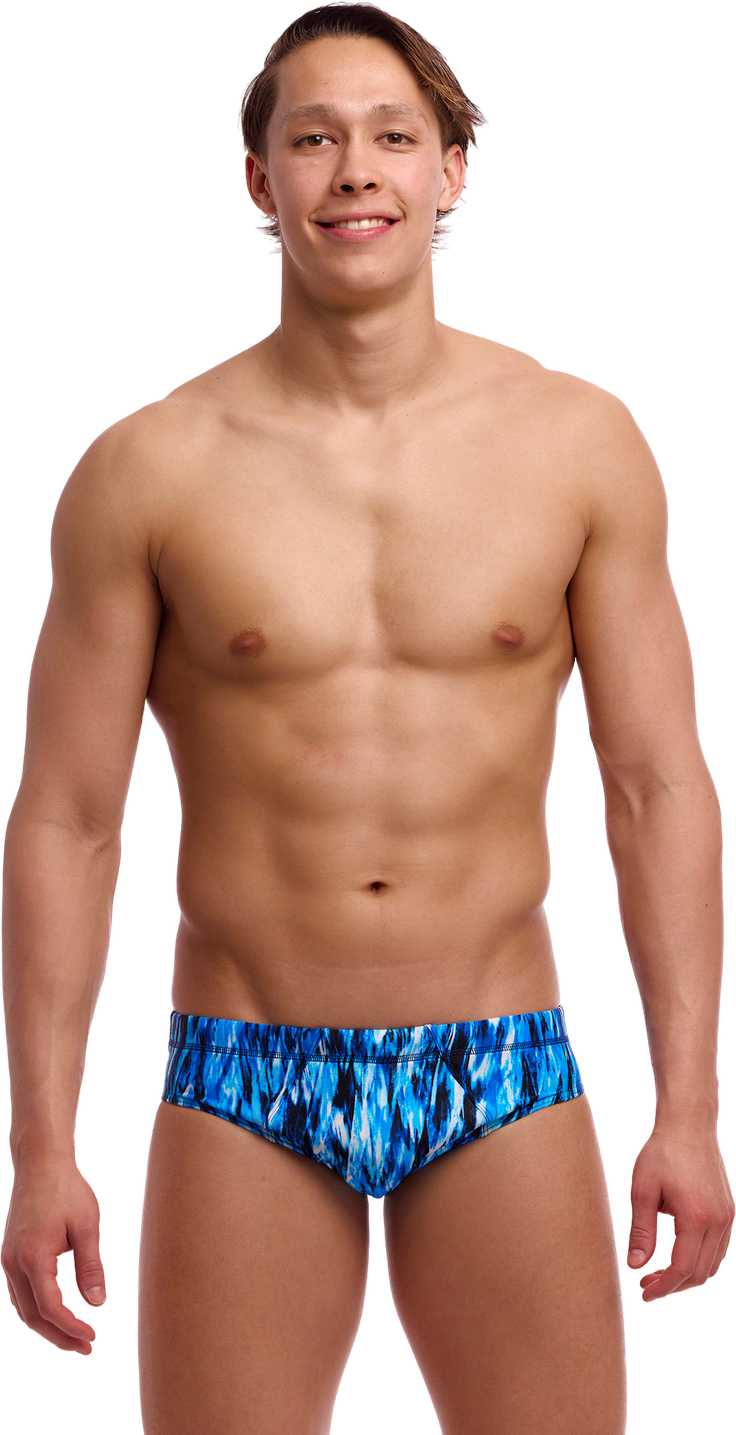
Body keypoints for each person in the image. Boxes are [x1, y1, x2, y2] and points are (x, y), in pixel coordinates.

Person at [1, 5, 732, 1432]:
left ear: (453, 171)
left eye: (395, 136)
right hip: (245, 1066)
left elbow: (657, 786)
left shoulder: (579, 442)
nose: (356, 171)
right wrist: (41, 1147)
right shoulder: (148, 468)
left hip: (500, 1057)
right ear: (259, 181)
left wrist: (690, 1111)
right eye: (315, 138)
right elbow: (69, 820)